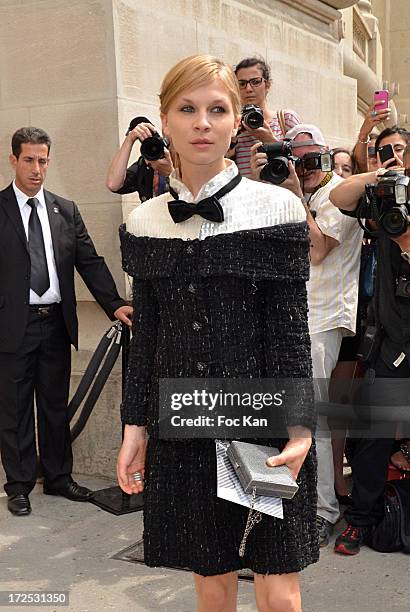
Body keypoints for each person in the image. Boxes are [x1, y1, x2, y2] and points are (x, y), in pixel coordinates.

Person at [117, 55, 318, 612]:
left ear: (236, 122)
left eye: (217, 109)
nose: (202, 122)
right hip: (185, 423)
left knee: (280, 589)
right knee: (211, 581)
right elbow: (149, 336)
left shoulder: (275, 207)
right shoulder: (145, 221)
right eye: (188, 109)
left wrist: (299, 426)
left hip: (264, 419)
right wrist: (135, 427)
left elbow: (289, 334)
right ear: (165, 119)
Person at [0, 127, 133, 517]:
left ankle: (58, 477)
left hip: (55, 323)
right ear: (13, 160)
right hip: (13, 326)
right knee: (15, 410)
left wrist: (114, 305)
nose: (37, 169)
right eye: (29, 160)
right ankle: (20, 484)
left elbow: (88, 261)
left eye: (43, 160)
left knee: (54, 406)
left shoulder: (65, 210)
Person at [250, 123, 363, 546]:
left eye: (314, 159)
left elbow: (317, 250)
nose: (307, 168)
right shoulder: (293, 192)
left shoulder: (338, 194)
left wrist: (296, 193)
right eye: (298, 160)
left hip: (322, 319)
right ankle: (292, 500)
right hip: (289, 317)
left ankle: (324, 510)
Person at [329, 132, 410, 555]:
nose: (393, 155)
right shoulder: (380, 197)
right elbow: (340, 196)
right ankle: (360, 520)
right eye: (385, 150)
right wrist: (381, 174)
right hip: (393, 339)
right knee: (374, 439)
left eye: (400, 149)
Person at [231, 56, 301, 177]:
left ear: (267, 85)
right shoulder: (232, 125)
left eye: (255, 82)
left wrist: (270, 141)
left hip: (283, 193)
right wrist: (230, 145)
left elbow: (303, 167)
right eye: (241, 84)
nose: (248, 89)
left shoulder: (286, 119)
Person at [106, 118, 173, 200]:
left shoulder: (190, 161)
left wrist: (171, 173)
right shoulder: (145, 164)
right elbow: (113, 184)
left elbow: (191, 199)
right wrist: (130, 139)